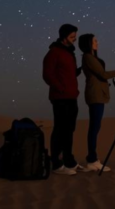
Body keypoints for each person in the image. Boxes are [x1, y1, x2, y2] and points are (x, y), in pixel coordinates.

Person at [78, 33, 115, 172]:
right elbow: (103, 74)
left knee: (95, 127)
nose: (97, 42)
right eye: (95, 41)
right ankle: (92, 160)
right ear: (88, 43)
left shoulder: (91, 57)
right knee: (94, 128)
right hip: (95, 96)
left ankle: (93, 159)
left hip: (98, 95)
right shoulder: (88, 57)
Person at [42, 23, 86, 175]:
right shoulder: (54, 52)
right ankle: (56, 163)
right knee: (60, 129)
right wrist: (60, 88)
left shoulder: (69, 53)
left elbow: (70, 74)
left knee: (69, 130)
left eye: (75, 36)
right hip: (60, 98)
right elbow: (47, 74)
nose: (74, 39)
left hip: (71, 96)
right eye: (72, 36)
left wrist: (81, 70)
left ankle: (69, 160)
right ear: (64, 37)